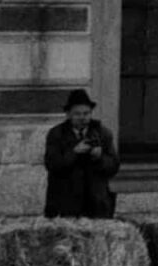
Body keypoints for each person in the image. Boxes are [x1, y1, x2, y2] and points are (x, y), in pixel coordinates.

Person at [43, 89, 119, 219]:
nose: (82, 118)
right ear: (68, 115)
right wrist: (74, 152)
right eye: (77, 114)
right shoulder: (56, 134)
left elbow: (113, 166)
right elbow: (52, 164)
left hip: (96, 202)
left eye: (86, 113)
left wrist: (99, 158)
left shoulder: (103, 133)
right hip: (65, 203)